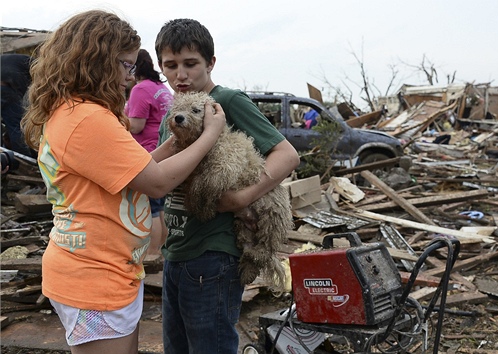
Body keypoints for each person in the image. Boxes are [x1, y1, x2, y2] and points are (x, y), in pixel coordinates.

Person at [20, 10, 226, 354]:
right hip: (93, 278)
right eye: (126, 65)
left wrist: (175, 143)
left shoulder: (78, 111)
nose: (130, 78)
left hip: (107, 270)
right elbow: (157, 183)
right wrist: (210, 134)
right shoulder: (86, 119)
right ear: (97, 61)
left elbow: (137, 169)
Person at [155, 18, 300, 354]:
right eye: (170, 66)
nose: (181, 75)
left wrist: (242, 198)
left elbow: (287, 154)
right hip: (177, 251)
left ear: (211, 63)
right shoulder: (174, 113)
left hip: (214, 255)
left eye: (191, 64)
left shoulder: (227, 101)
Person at [125, 48, 174, 258]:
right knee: (161, 208)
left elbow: (136, 126)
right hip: (166, 151)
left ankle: (152, 253)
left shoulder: (140, 89)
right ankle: (162, 249)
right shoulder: (160, 87)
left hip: (148, 152)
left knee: (152, 209)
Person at [1, 53, 36, 158]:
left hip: (6, 85)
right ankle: (22, 159)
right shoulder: (38, 65)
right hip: (5, 88)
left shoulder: (17, 60)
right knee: (16, 126)